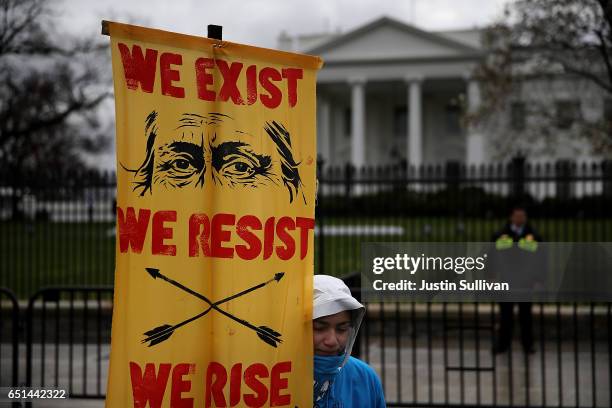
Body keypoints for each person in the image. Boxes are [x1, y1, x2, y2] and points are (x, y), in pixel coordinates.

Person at [312, 274, 386, 407]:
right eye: (319, 328)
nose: (332, 341)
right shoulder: (276, 380)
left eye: (342, 329)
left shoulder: (365, 378)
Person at [492, 205, 542, 354]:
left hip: (526, 281)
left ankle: (528, 345)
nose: (520, 219)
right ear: (511, 217)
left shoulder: (533, 236)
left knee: (525, 316)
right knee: (505, 316)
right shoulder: (500, 235)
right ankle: (503, 344)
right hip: (506, 281)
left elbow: (540, 260)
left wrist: (539, 279)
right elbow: (492, 257)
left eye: (522, 216)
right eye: (517, 216)